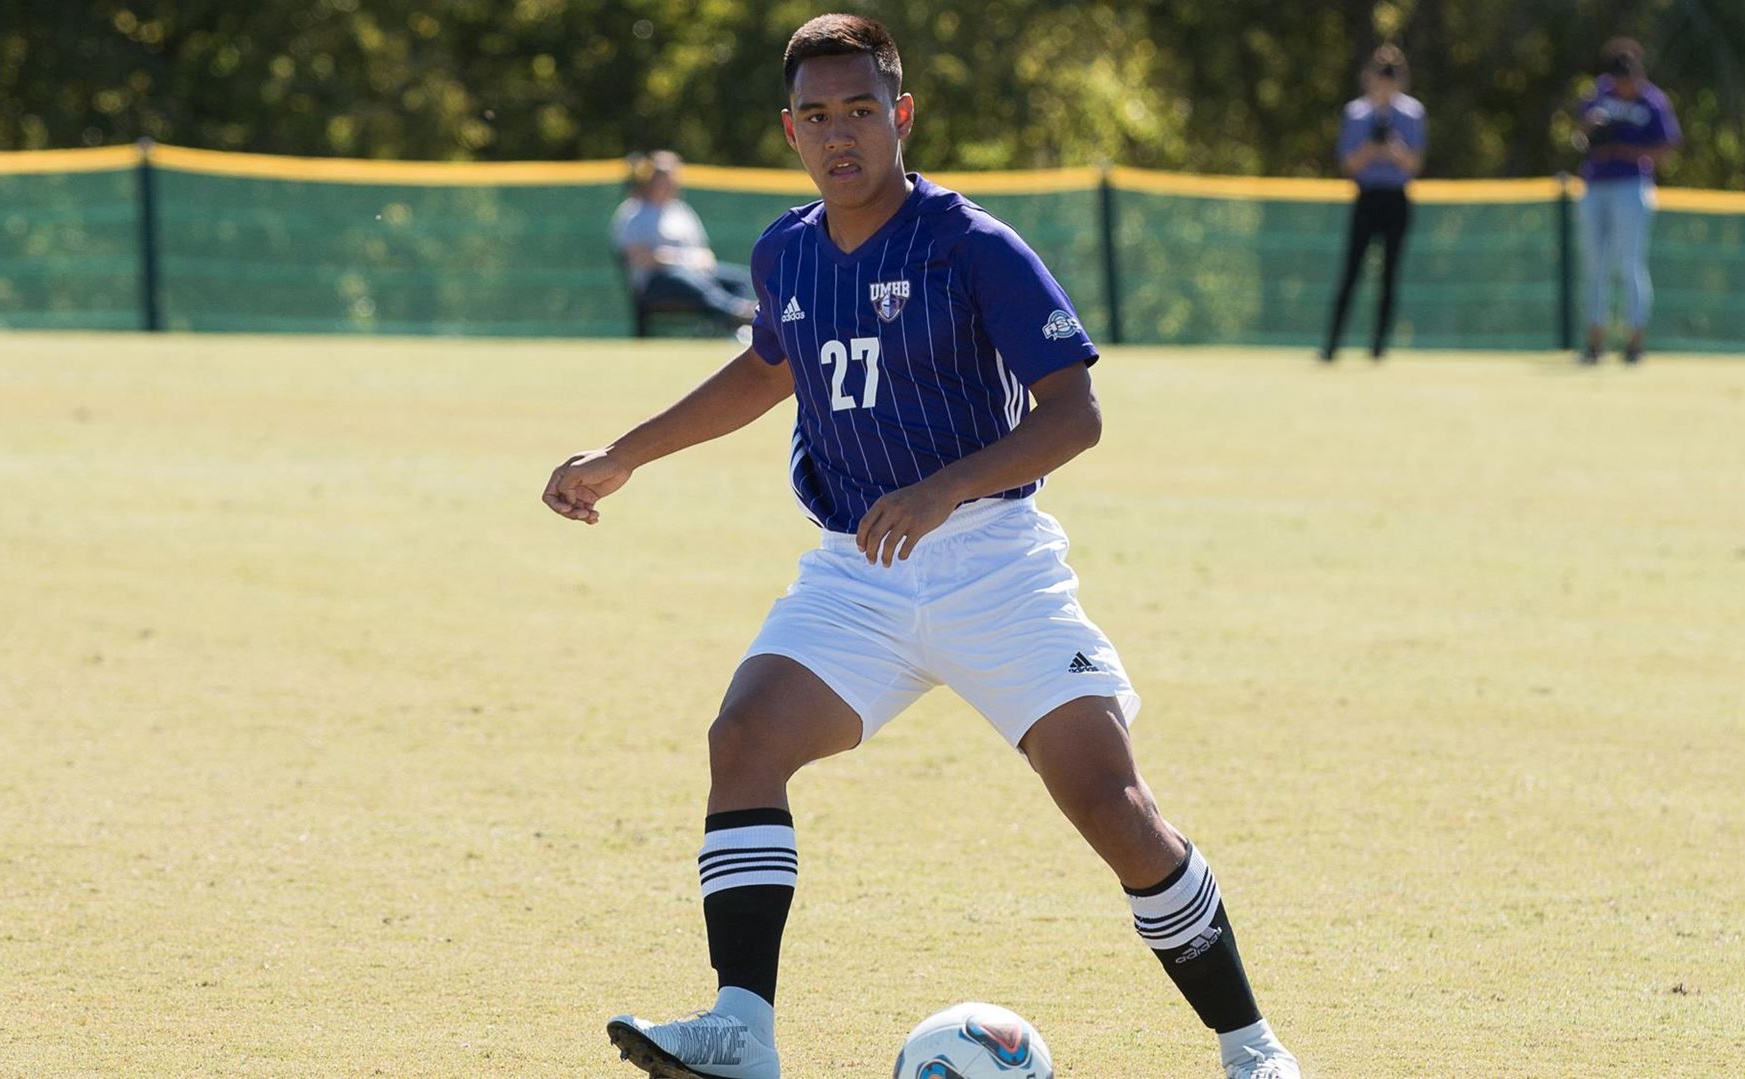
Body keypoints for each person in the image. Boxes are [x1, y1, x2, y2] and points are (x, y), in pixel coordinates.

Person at [547, 14, 1300, 1079]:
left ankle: (1253, 1046)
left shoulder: (972, 243)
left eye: (861, 110)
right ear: (791, 129)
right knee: (745, 738)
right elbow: (767, 371)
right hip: (857, 571)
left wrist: (944, 487)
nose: (840, 133)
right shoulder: (787, 250)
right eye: (818, 116)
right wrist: (624, 453)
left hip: (994, 562)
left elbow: (1074, 412)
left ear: (901, 115)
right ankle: (740, 1028)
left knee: (1112, 808)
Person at [1573, 38, 1680, 365]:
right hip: (1595, 184)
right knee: (1595, 265)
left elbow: (1668, 147)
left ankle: (1634, 341)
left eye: (1628, 79)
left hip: (1632, 185)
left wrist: (1625, 151)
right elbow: (1579, 136)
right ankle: (1595, 341)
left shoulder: (1652, 101)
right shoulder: (1600, 93)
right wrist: (1591, 130)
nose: (1623, 86)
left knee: (1630, 263)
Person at [1321, 45, 1425, 362]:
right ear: (1369, 79)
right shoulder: (1356, 113)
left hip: (1396, 200)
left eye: (1391, 78)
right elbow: (1350, 165)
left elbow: (1413, 165)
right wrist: (1370, 148)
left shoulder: (1412, 113)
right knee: (1350, 272)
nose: (1384, 85)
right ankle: (1332, 345)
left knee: (1389, 277)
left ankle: (1379, 347)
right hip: (1366, 198)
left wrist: (1393, 149)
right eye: (1380, 77)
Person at [611, 149, 759, 330]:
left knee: (740, 278)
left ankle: (742, 330)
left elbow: (704, 252)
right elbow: (640, 257)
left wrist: (700, 261)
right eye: (661, 176)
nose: (667, 182)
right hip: (657, 282)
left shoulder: (681, 211)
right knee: (684, 277)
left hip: (696, 273)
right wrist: (680, 260)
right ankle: (739, 312)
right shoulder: (633, 212)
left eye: (671, 176)